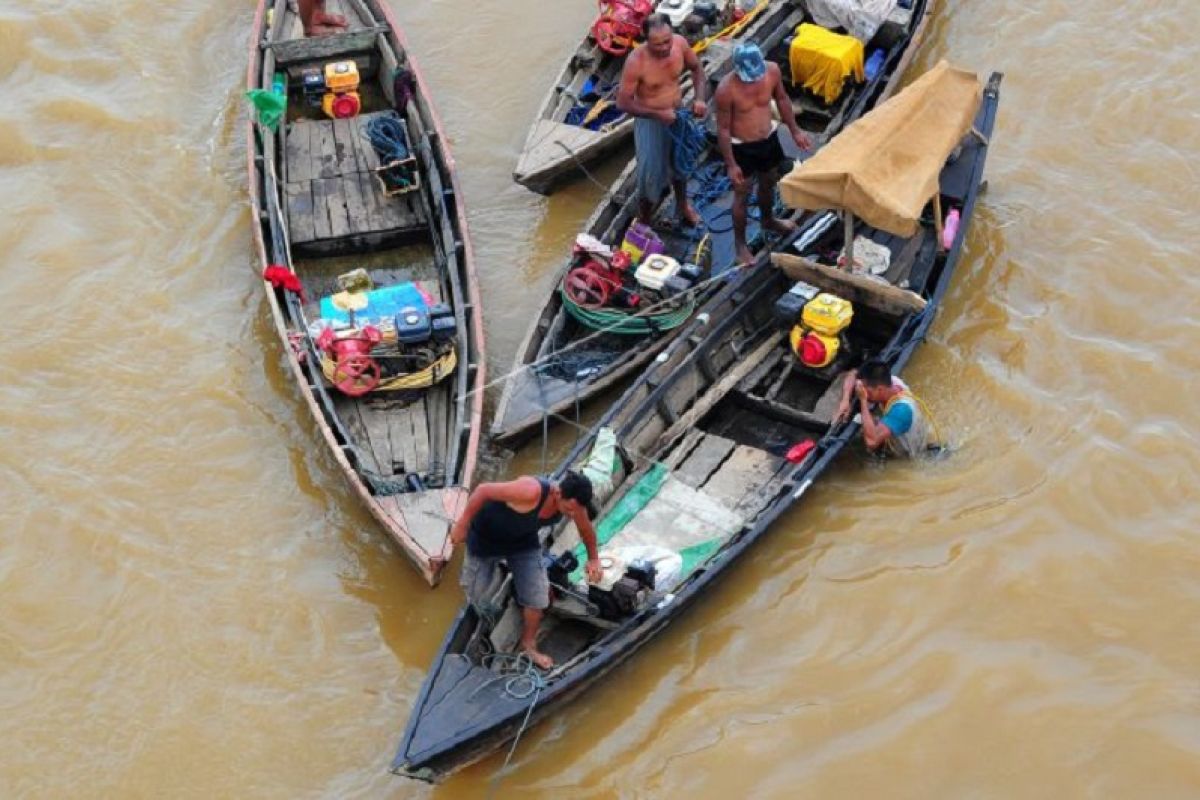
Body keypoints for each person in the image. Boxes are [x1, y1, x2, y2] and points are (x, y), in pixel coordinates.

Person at [445, 472, 603, 669]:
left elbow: (586, 530)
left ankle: (528, 644)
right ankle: (500, 595)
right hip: (485, 541)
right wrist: (462, 524)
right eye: (569, 509)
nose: (571, 515)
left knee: (538, 597)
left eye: (576, 511)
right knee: (476, 594)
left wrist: (594, 559)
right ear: (557, 493)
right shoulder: (530, 491)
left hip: (522, 543)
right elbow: (483, 490)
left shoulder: (575, 507)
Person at [715, 43, 813, 266]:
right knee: (742, 193)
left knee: (768, 181)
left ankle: (768, 220)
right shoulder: (726, 90)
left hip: (768, 138)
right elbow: (722, 129)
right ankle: (740, 245)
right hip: (741, 147)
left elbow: (782, 99)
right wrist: (731, 164)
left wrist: (795, 130)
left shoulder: (772, 71)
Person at [616, 13, 708, 227]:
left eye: (667, 41)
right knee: (649, 174)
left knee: (681, 163)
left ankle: (683, 205)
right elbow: (623, 103)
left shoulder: (680, 44)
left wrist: (700, 98)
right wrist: (658, 114)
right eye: (657, 44)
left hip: (678, 114)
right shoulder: (636, 62)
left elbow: (697, 69)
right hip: (650, 121)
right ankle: (645, 220)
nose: (665, 47)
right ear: (646, 40)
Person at [833, 359, 932, 458]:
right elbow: (853, 373)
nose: (863, 392)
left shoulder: (901, 410)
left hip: (906, 456)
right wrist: (845, 400)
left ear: (880, 389)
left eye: (867, 391)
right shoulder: (890, 382)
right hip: (894, 435)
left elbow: (871, 442)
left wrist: (863, 401)